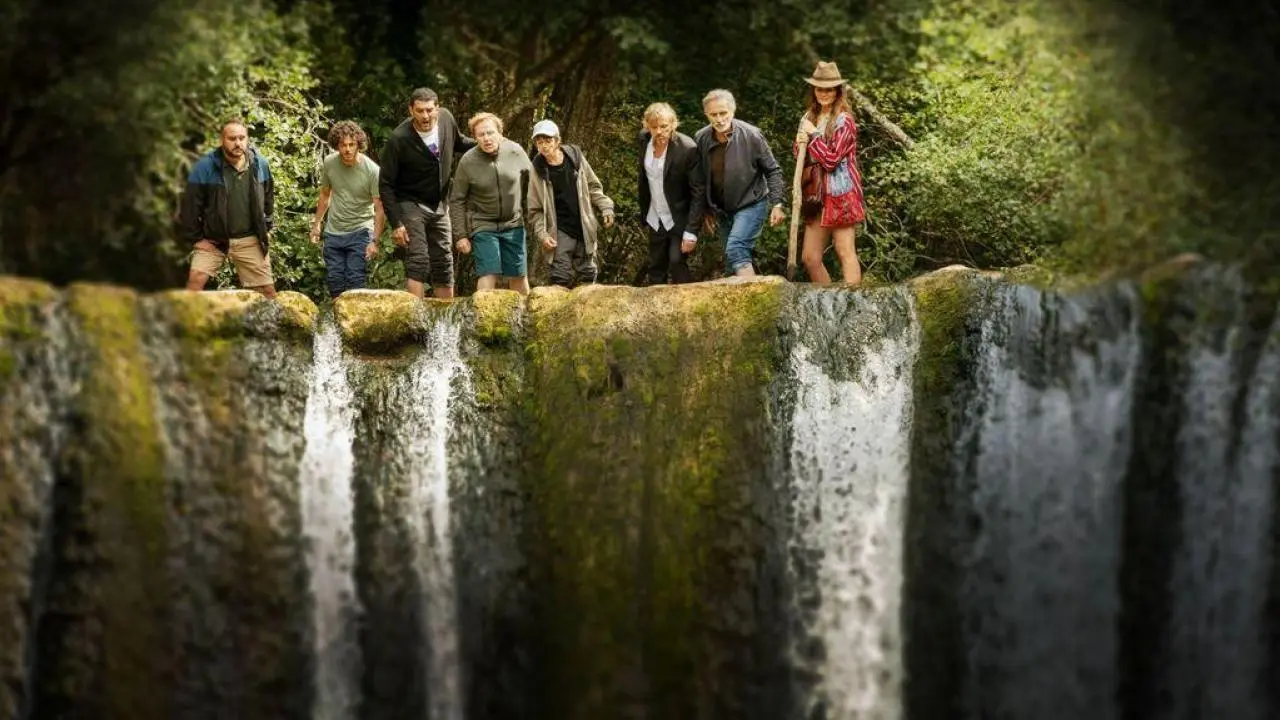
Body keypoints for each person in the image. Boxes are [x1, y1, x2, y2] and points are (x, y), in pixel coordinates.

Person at [379, 87, 475, 299]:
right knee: (419, 259)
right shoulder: (399, 139)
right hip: (410, 202)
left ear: (437, 108)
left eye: (430, 110)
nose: (425, 116)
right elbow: (385, 184)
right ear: (411, 110)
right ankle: (416, 320)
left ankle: (445, 321)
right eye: (420, 111)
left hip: (440, 202)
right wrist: (396, 223)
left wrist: (486, 143)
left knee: (444, 260)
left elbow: (460, 142)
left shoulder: (447, 120)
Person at [692, 89, 787, 277]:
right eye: (714, 114)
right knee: (730, 263)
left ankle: (754, 301)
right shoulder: (701, 138)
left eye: (723, 113)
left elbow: (773, 170)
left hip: (752, 203)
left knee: (735, 249)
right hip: (722, 209)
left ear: (732, 111)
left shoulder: (751, 135)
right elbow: (700, 178)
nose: (719, 119)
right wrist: (705, 210)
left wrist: (777, 203)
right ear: (706, 115)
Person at [179, 118, 277, 297]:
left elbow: (269, 198)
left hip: (249, 239)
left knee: (267, 292)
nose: (238, 143)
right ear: (221, 140)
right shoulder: (205, 167)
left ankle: (272, 326)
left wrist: (267, 226)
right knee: (195, 282)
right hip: (214, 240)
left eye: (242, 138)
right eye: (232, 139)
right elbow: (189, 207)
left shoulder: (260, 164)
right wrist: (196, 238)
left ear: (247, 139)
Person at [794, 61, 866, 285]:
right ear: (814, 91)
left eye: (829, 89)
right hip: (815, 194)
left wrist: (813, 136)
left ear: (837, 91)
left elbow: (832, 160)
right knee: (810, 257)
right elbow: (801, 156)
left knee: (845, 252)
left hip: (840, 195)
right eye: (819, 88)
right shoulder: (809, 117)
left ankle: (853, 307)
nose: (823, 93)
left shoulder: (845, 121)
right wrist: (799, 144)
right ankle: (830, 310)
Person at [449, 113, 535, 295]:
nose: (486, 138)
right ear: (475, 137)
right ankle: (482, 319)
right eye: (481, 135)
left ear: (500, 133)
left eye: (490, 133)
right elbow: (457, 199)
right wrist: (460, 235)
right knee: (489, 273)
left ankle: (525, 320)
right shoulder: (468, 161)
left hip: (513, 223)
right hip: (483, 224)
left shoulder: (515, 151)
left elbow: (536, 183)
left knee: (518, 276)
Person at [527, 119, 615, 288]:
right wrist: (543, 234)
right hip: (558, 230)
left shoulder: (575, 158)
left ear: (557, 141)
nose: (544, 146)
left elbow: (593, 186)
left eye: (548, 141)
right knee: (560, 276)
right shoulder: (537, 169)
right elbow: (535, 209)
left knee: (588, 274)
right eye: (539, 142)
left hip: (584, 225)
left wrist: (606, 207)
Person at [310, 120, 385, 298]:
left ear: (359, 144)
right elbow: (325, 195)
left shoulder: (372, 171)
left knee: (355, 282)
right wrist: (317, 224)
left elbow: (379, 208)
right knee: (334, 281)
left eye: (352, 145)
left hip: (360, 231)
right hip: (334, 231)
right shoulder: (329, 163)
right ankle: (339, 324)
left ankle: (356, 324)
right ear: (337, 145)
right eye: (343, 145)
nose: (348, 149)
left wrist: (374, 240)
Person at [637, 102, 703, 285]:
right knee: (656, 265)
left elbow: (698, 191)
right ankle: (655, 310)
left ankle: (690, 306)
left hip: (679, 216)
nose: (659, 131)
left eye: (664, 126)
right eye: (654, 127)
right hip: (654, 215)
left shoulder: (687, 148)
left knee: (676, 261)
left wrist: (692, 230)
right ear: (647, 126)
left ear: (673, 124)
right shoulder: (643, 140)